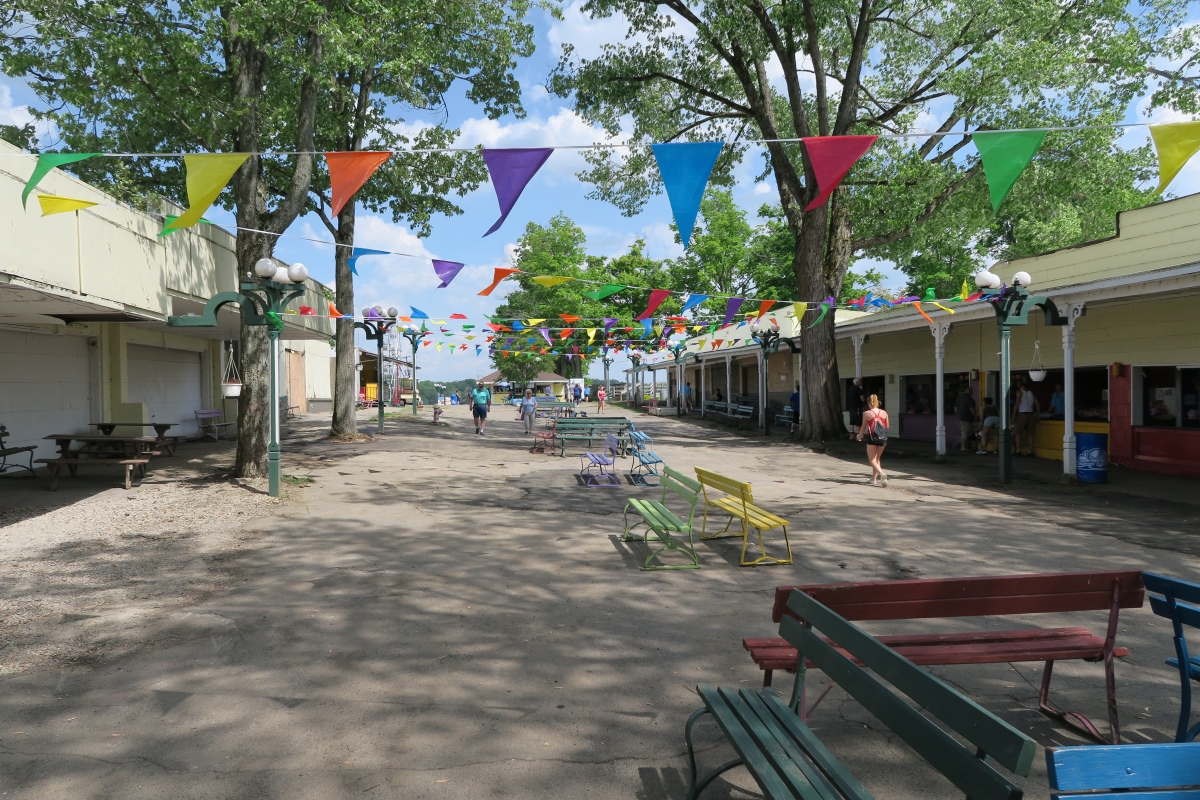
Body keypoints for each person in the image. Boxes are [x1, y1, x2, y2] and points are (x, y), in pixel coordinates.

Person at [856, 394, 889, 487]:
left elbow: (863, 427)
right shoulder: (884, 413)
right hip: (883, 438)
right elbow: (887, 426)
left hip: (872, 437)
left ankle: (882, 474)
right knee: (877, 459)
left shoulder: (867, 413)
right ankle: (873, 479)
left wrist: (859, 435)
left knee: (872, 460)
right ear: (877, 402)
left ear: (869, 403)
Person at [1012, 380, 1040, 455]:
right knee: (1030, 434)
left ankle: (1018, 450)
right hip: (1031, 414)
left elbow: (1017, 403)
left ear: (1021, 387)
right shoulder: (1032, 393)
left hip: (1022, 414)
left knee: (1018, 433)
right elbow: (1037, 404)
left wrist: (1013, 415)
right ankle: (1030, 451)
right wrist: (1038, 415)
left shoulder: (1020, 392)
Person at [954, 385, 977, 452]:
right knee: (965, 432)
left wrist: (958, 414)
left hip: (959, 417)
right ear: (971, 391)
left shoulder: (959, 398)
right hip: (967, 418)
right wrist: (975, 416)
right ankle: (963, 447)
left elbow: (955, 407)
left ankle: (966, 446)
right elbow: (972, 408)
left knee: (964, 431)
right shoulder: (969, 398)